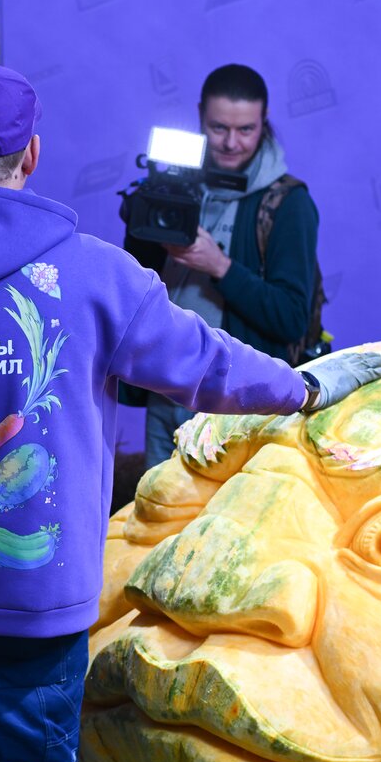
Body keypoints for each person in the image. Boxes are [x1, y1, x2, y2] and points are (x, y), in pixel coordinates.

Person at [0, 63, 381, 762]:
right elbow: (206, 363)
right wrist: (301, 386)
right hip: (36, 609)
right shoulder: (94, 276)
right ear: (32, 154)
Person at [125, 63, 320, 468]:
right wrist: (144, 218)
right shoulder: (174, 184)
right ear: (200, 116)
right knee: (157, 506)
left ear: (264, 121)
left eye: (246, 129)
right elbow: (136, 290)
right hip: (167, 390)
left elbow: (290, 319)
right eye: (218, 128)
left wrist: (221, 266)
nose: (232, 143)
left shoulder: (287, 204)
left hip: (240, 405)